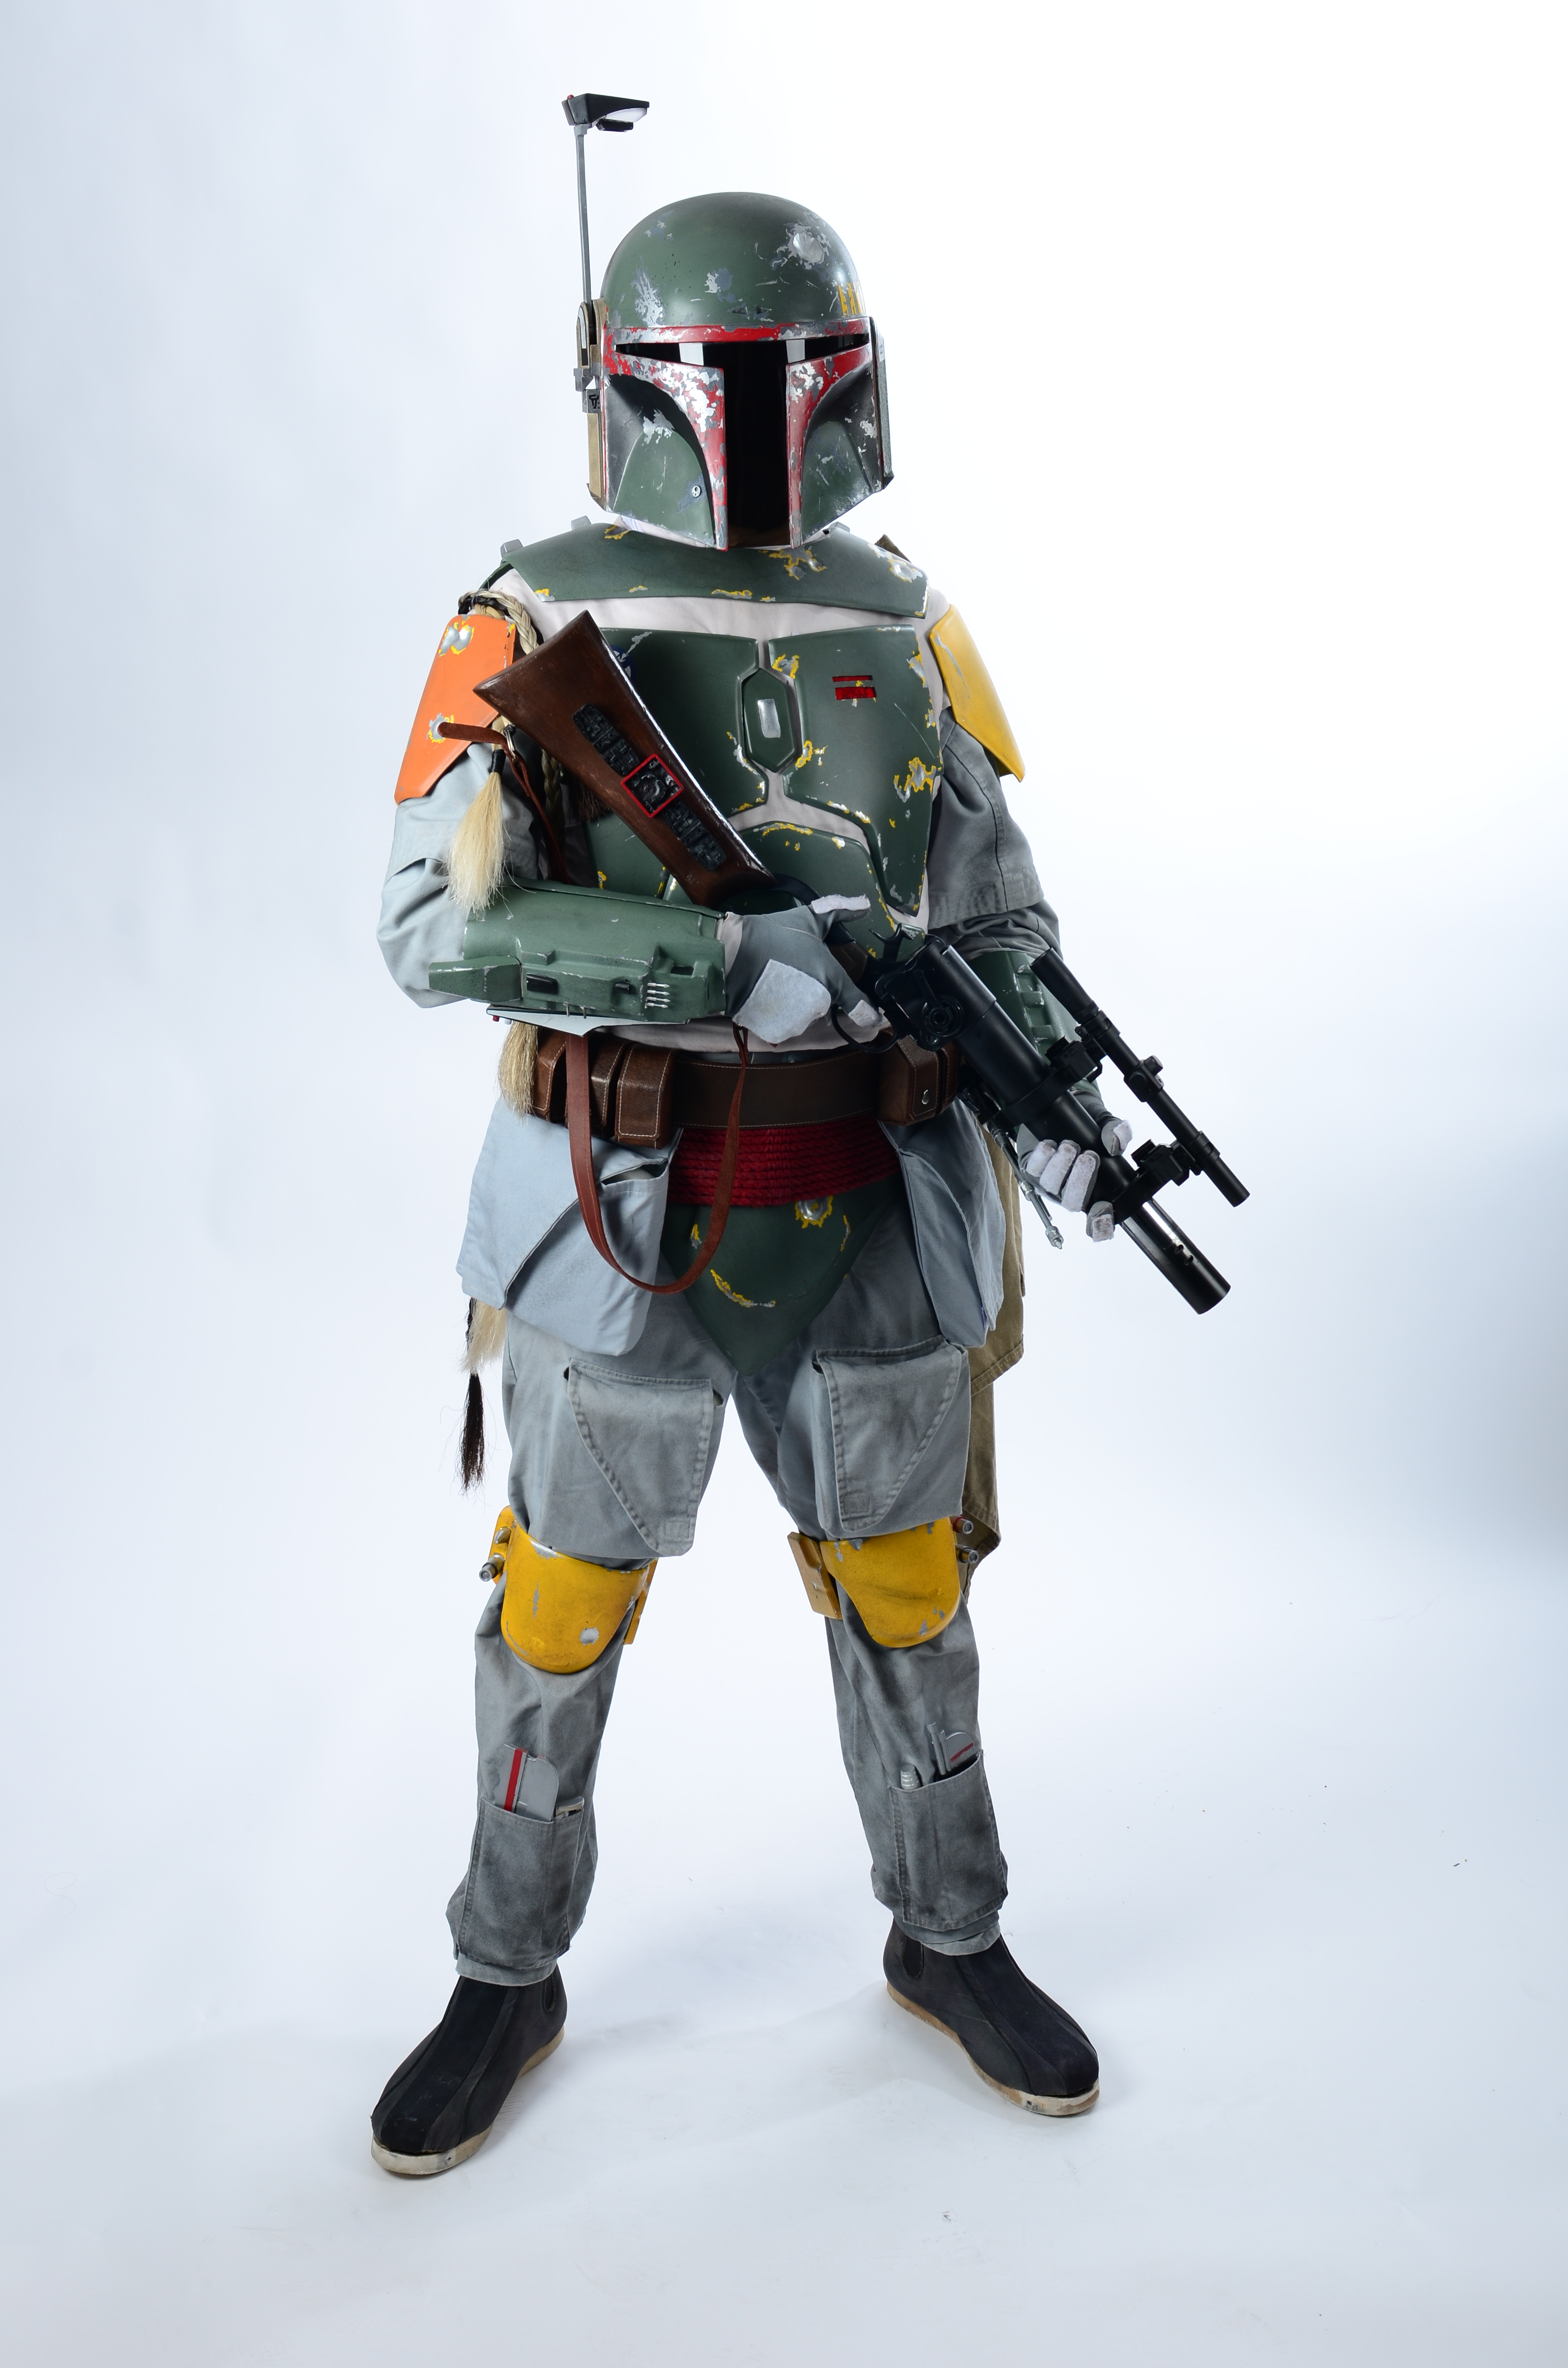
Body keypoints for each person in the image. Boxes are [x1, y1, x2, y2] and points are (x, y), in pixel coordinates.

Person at [371, 192, 1123, 2177]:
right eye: (723, 377)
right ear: (627, 384)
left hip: (871, 1187)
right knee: (561, 1597)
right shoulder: (527, 621)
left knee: (908, 1588)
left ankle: (949, 1932)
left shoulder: (906, 623)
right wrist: (711, 964)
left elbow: (999, 923)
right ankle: (506, 1970)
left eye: (790, 373)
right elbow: (427, 927)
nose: (759, 412)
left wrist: (1057, 1094)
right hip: (615, 1197)